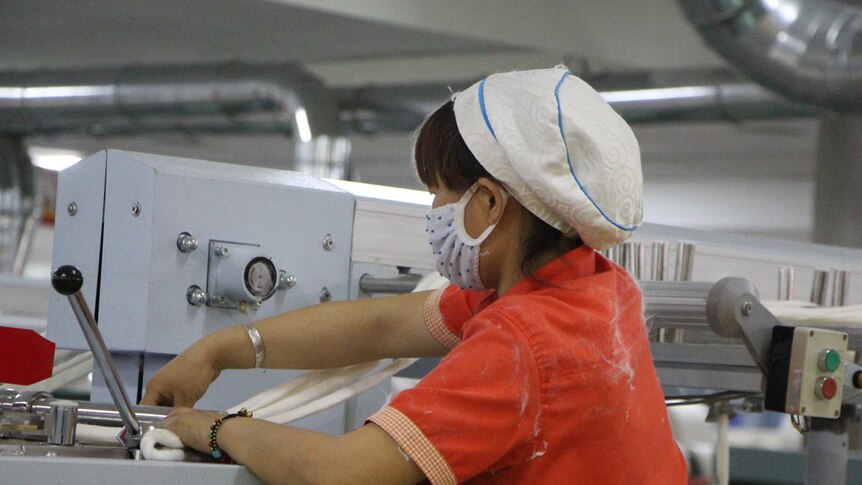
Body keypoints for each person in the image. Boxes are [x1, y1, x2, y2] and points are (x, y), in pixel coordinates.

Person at [143, 66, 688, 484]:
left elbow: (343, 473)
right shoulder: (590, 288)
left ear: (490, 202)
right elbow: (381, 326)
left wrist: (210, 429)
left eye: (440, 196)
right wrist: (217, 350)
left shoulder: (523, 342)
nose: (432, 211)